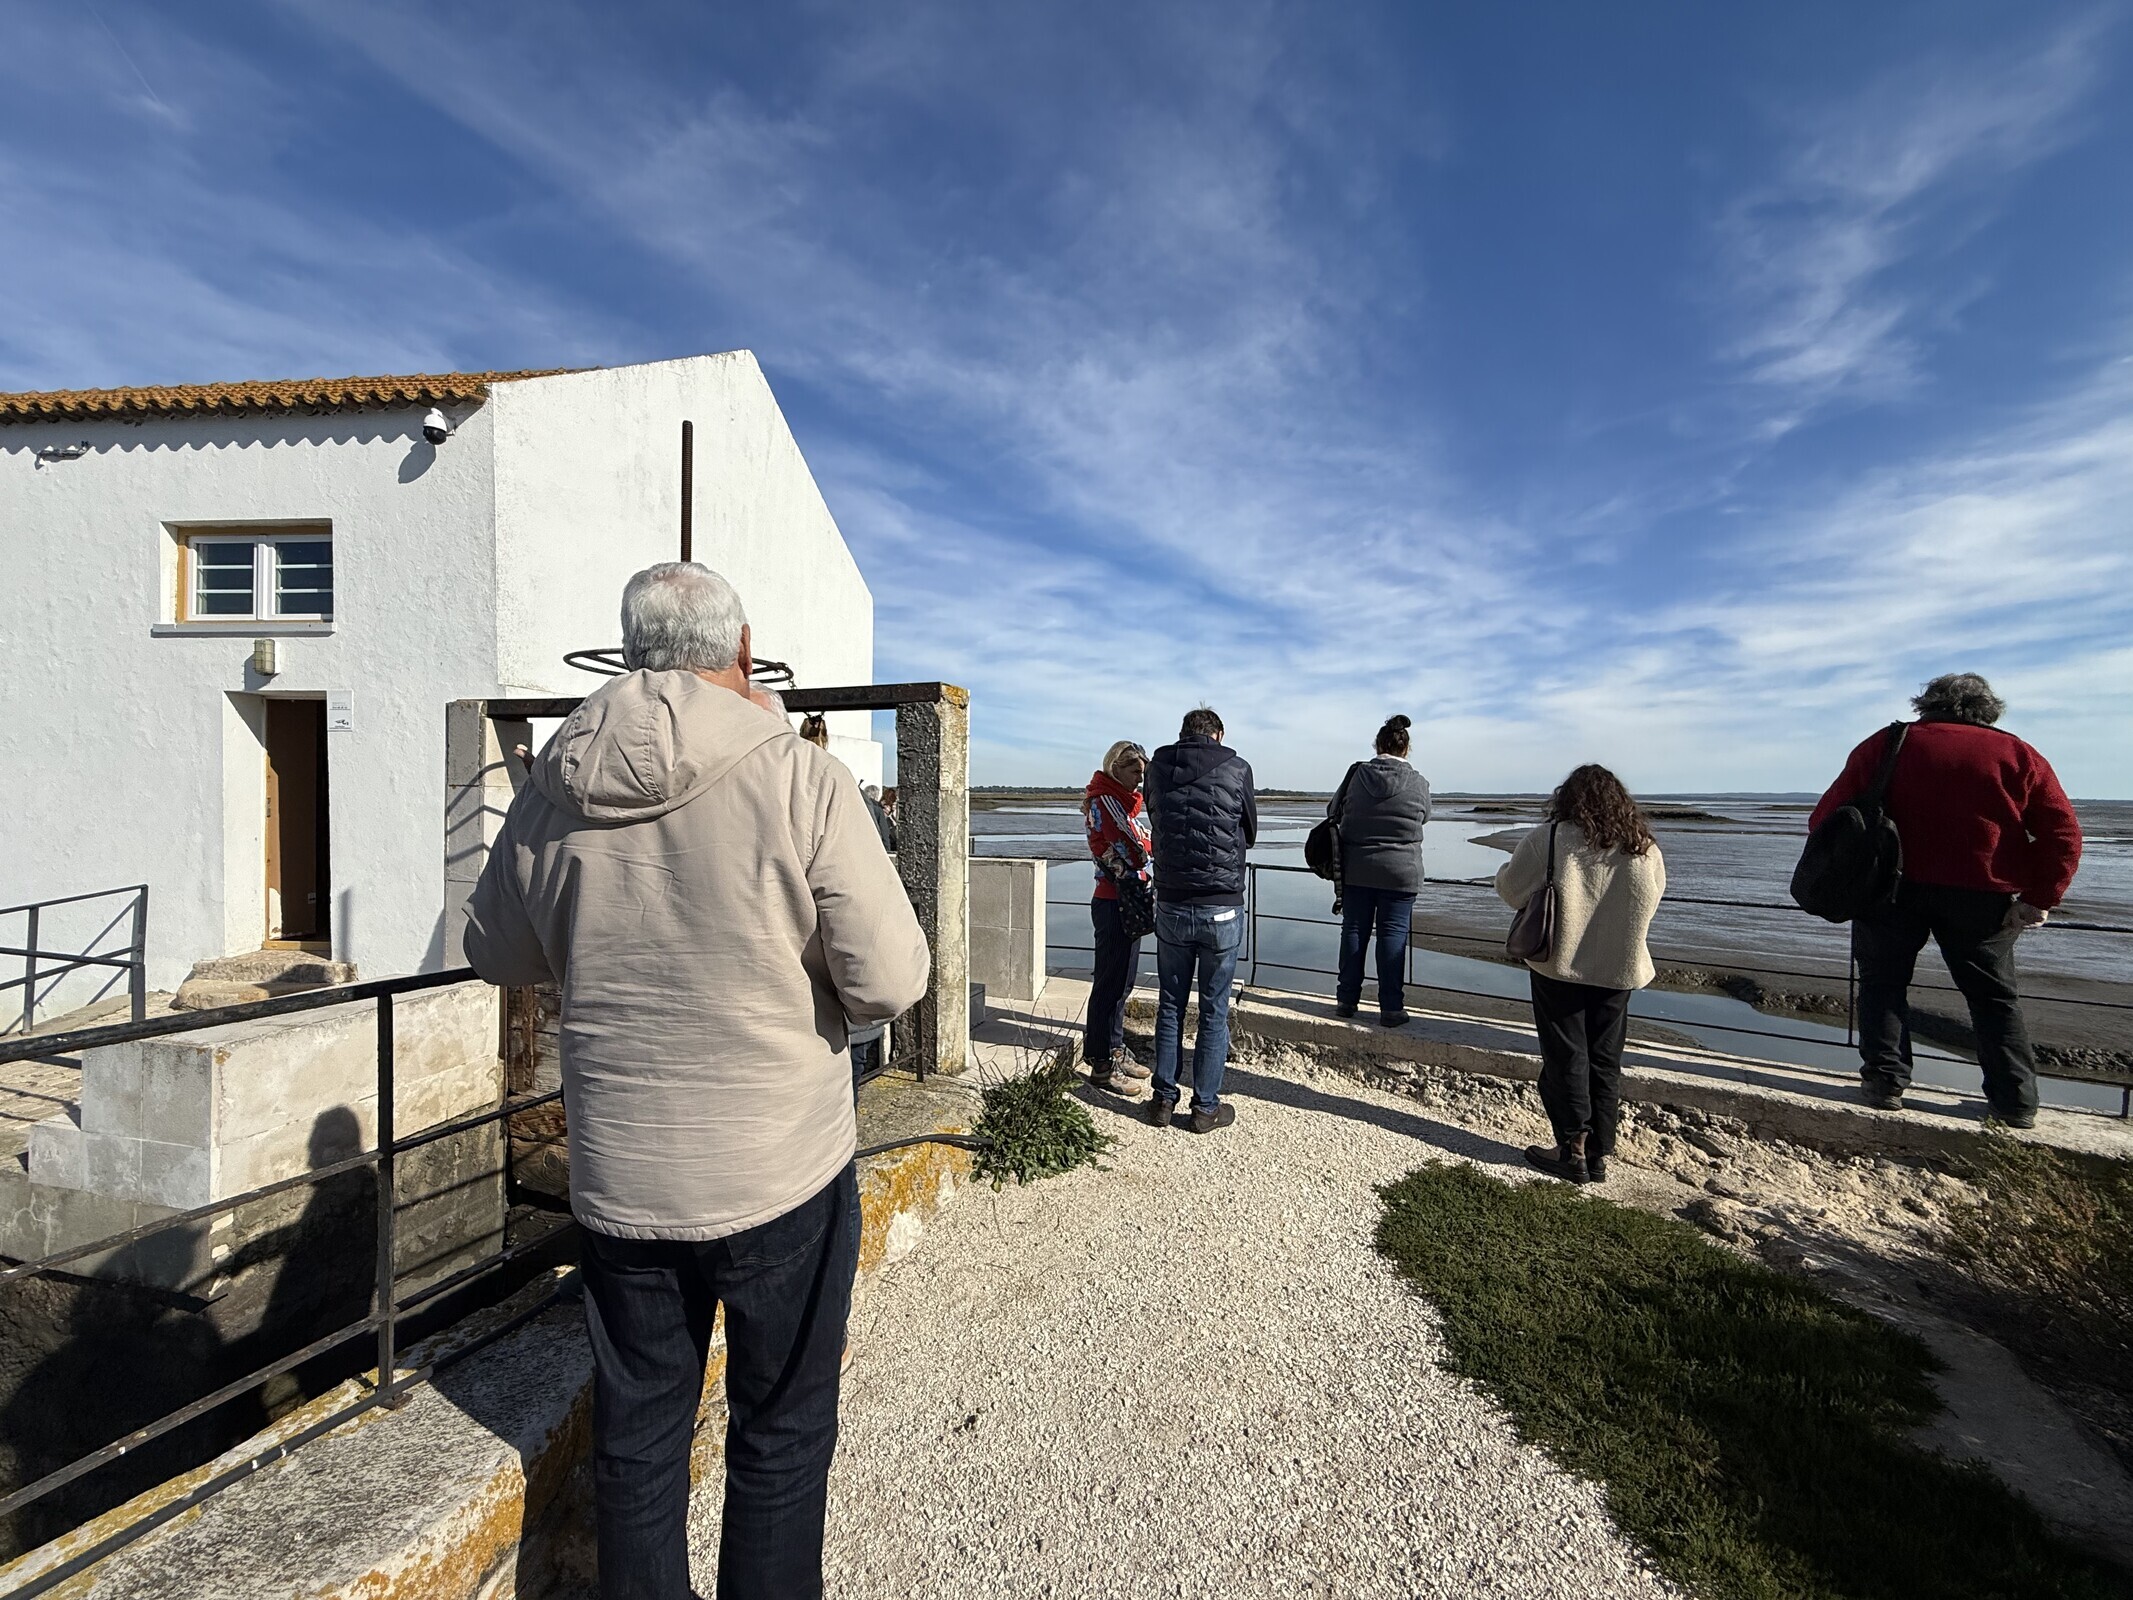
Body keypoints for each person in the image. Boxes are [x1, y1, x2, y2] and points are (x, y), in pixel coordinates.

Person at [464, 562, 931, 1600]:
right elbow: (892, 979)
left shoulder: (552, 782)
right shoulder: (798, 775)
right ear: (746, 650)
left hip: (624, 1174)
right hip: (781, 1170)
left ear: (629, 649)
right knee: (781, 1430)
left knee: (637, 1441)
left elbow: (494, 950)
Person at [1809, 673, 2082, 1128]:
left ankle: (1884, 1082)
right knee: (1993, 998)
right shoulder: (2017, 753)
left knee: (1882, 984)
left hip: (1888, 891)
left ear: (1927, 704)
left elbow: (1826, 818)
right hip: (1982, 896)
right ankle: (2014, 1103)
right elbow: (2064, 834)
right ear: (1987, 709)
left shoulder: (1886, 744)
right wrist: (2039, 897)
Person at [1495, 765, 1665, 1184]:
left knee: (1566, 1055)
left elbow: (1511, 891)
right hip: (1619, 969)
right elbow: (1652, 899)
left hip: (1559, 965)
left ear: (1566, 798)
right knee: (1606, 1059)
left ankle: (1572, 1149)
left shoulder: (1549, 838)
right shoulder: (1643, 847)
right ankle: (1599, 1152)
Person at [1142, 707, 1257, 1133]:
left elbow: (1157, 819)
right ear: (1218, 734)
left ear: (1183, 734)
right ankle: (1205, 1108)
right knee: (1214, 1009)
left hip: (1172, 901)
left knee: (1170, 1003)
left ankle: (1162, 1101)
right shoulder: (1237, 767)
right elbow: (1251, 827)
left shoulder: (1156, 768)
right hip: (1222, 904)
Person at [1328, 714, 1432, 1026]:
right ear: (1407, 748)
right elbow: (1424, 817)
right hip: (1402, 872)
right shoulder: (1419, 782)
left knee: (1354, 930)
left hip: (1357, 868)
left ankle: (1346, 1001)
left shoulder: (1356, 774)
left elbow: (1333, 811)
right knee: (1393, 935)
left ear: (1377, 745)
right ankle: (1391, 1008)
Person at [1083, 740, 1155, 1095]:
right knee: (1109, 984)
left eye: (1143, 773)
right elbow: (1137, 850)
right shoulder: (1107, 800)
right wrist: (1144, 845)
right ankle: (1100, 1063)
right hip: (1113, 902)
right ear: (1116, 767)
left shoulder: (1123, 805)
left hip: (1127, 900)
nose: (1139, 780)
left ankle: (1113, 1048)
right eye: (1134, 771)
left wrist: (1143, 844)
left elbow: (1139, 844)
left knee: (1123, 983)